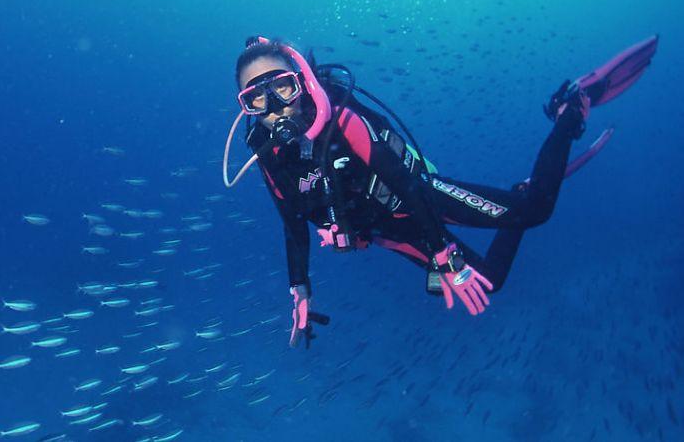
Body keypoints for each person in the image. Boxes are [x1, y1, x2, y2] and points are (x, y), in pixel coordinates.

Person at [222, 35, 658, 348]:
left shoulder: (340, 121)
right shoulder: (267, 154)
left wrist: (446, 258)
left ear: (301, 83)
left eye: (281, 87)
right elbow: (292, 223)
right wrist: (300, 288)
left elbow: (408, 186)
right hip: (393, 232)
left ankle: (571, 109)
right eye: (256, 99)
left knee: (537, 211)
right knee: (489, 283)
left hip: (420, 198)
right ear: (246, 107)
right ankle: (519, 191)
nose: (275, 108)